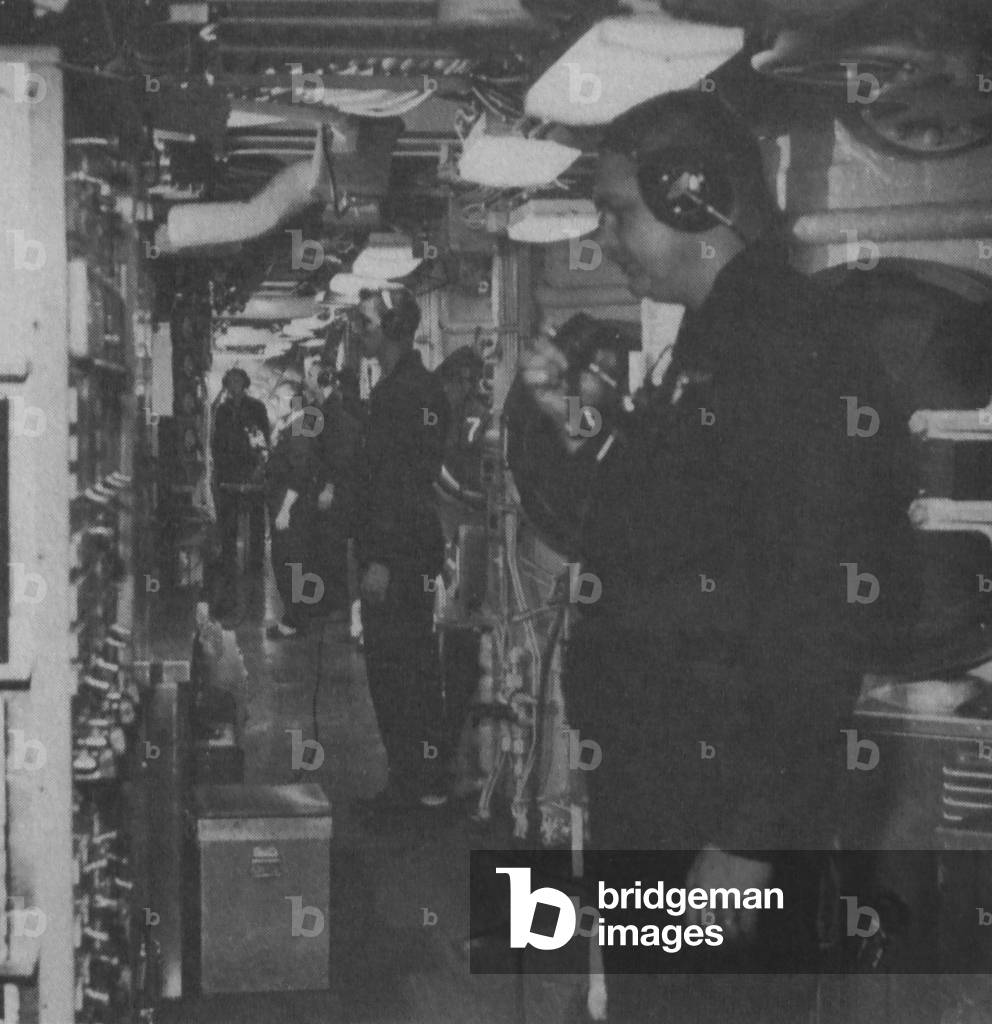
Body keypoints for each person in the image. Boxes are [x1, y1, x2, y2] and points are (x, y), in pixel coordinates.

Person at [519, 89, 921, 1021]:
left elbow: (825, 610)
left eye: (619, 211)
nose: (605, 239)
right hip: (667, 797)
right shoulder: (714, 344)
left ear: (694, 196)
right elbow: (650, 540)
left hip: (721, 814)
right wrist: (576, 426)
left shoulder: (790, 353)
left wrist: (751, 838)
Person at [353, 286, 450, 815]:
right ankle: (424, 783)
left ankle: (410, 789)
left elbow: (402, 485)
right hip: (412, 552)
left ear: (391, 330)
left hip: (399, 556)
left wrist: (383, 559)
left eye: (366, 325)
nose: (359, 334)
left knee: (397, 672)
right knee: (413, 665)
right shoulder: (411, 386)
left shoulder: (401, 395)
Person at [264, 378, 322, 640]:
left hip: (293, 509)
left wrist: (285, 509)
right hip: (288, 505)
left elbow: (299, 472)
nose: (274, 404)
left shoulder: (300, 429)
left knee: (292, 562)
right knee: (288, 561)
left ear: (292, 398)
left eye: (277, 398)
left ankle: (295, 620)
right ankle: (296, 617)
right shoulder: (292, 425)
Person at [311, 363, 362, 618]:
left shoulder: (334, 413)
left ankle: (338, 604)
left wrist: (328, 487)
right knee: (334, 545)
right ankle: (336, 601)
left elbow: (338, 454)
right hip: (345, 488)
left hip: (339, 490)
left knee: (334, 545)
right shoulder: (338, 410)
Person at [211, 368, 270, 576]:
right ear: (226, 385)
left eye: (238, 381)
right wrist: (220, 468)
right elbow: (216, 443)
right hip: (229, 473)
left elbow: (264, 439)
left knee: (256, 518)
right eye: (231, 381)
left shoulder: (256, 408)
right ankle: (229, 560)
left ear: (245, 384)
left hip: (252, 470)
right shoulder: (222, 411)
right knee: (228, 519)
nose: (234, 385)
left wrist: (260, 466)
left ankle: (256, 561)